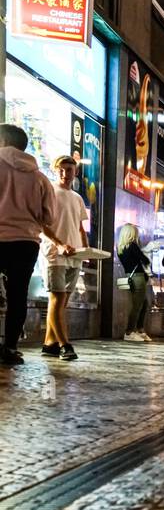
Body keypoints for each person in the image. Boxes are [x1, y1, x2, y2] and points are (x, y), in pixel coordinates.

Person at [0, 124, 71, 365]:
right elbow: (48, 217)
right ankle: (9, 348)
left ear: (3, 141)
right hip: (26, 242)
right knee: (17, 295)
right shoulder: (40, 178)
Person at [40, 155, 90, 361]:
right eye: (61, 169)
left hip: (75, 256)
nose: (65, 173)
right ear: (54, 169)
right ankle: (65, 345)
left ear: (75, 172)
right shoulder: (49, 191)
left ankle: (49, 343)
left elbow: (80, 227)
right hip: (54, 254)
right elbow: (41, 224)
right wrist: (59, 244)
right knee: (57, 298)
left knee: (63, 301)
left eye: (69, 169)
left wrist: (86, 250)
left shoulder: (77, 198)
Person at [117, 224, 154, 341]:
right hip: (138, 277)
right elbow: (144, 260)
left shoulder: (120, 248)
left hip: (130, 277)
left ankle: (140, 329)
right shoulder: (133, 246)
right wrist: (147, 254)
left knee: (144, 303)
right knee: (138, 305)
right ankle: (129, 332)